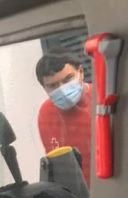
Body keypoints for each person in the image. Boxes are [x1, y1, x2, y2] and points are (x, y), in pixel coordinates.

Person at [36, 48, 93, 182]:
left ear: (81, 72)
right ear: (44, 88)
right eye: (53, 85)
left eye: (68, 79)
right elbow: (55, 164)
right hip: (79, 194)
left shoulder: (103, 98)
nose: (62, 89)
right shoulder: (46, 112)